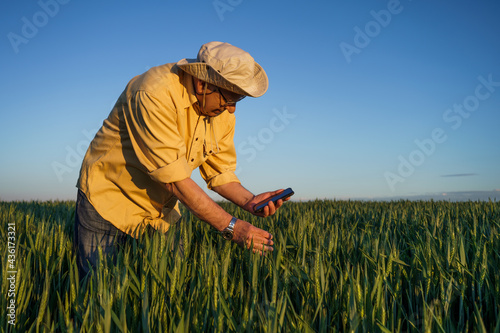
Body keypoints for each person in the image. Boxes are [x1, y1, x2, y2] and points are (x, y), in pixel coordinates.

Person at [74, 41, 288, 276]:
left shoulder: (221, 113)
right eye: (229, 99)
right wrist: (233, 228)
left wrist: (250, 201)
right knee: (99, 292)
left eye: (238, 101)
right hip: (109, 201)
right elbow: (173, 180)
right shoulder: (153, 92)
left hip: (161, 212)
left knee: (171, 289)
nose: (232, 110)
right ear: (202, 83)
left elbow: (220, 173)